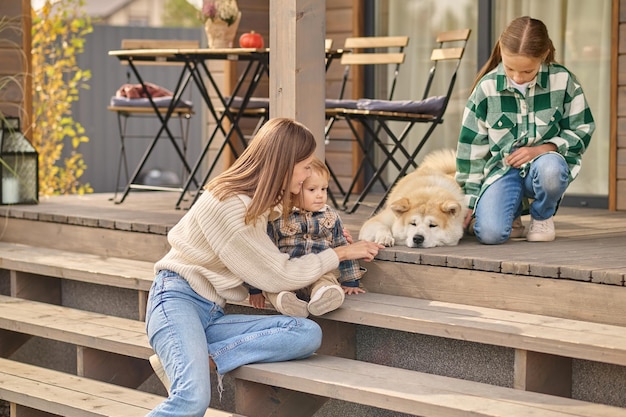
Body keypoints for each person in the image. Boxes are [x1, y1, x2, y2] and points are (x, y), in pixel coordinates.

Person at [145, 118, 383, 417]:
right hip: (177, 300)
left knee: (305, 333)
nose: (309, 173)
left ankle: (200, 358)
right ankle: (189, 361)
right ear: (284, 162)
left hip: (211, 312)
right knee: (192, 399)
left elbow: (282, 241)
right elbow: (279, 274)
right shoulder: (231, 206)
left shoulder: (255, 204)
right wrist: (340, 253)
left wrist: (326, 234)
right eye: (306, 165)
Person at [455, 16, 595, 245]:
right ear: (501, 49)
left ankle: (542, 216)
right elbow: (471, 152)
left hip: (543, 168)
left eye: (528, 71)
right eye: (510, 69)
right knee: (490, 235)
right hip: (502, 172)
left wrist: (543, 149)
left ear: (544, 54)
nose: (518, 77)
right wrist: (469, 202)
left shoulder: (563, 80)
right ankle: (512, 216)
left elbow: (582, 128)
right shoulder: (486, 88)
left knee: (550, 169)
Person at [248, 157, 366, 318]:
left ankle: (323, 297)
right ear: (294, 190)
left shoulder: (331, 216)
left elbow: (342, 246)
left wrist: (350, 281)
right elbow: (264, 253)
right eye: (312, 190)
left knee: (327, 280)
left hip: (319, 272)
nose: (320, 195)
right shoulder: (278, 217)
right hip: (287, 273)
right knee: (274, 288)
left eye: (324, 189)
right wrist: (255, 289)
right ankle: (287, 302)